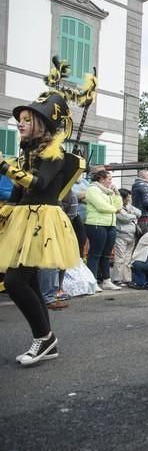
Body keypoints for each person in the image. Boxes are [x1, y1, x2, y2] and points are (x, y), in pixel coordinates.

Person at [0, 91, 83, 366]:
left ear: (42, 125)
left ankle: (44, 338)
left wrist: (4, 167)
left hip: (43, 221)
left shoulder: (54, 154)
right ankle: (48, 340)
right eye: (20, 120)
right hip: (22, 220)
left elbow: (38, 184)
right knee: (30, 281)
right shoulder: (25, 155)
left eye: (26, 119)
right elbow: (16, 195)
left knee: (14, 281)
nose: (20, 124)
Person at [85, 169, 122, 290]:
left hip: (110, 224)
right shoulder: (92, 190)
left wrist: (117, 194)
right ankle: (92, 281)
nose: (111, 182)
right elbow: (100, 206)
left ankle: (106, 280)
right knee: (95, 254)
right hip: (96, 224)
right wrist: (114, 209)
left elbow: (119, 206)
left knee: (106, 255)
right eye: (109, 179)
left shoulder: (109, 192)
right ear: (101, 179)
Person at [113, 188, 140, 286]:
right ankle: (117, 278)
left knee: (128, 258)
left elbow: (139, 212)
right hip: (121, 235)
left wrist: (131, 213)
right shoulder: (117, 207)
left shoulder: (129, 206)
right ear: (122, 198)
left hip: (131, 235)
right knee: (120, 257)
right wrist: (132, 214)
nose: (129, 199)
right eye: (128, 197)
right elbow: (124, 218)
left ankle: (127, 278)